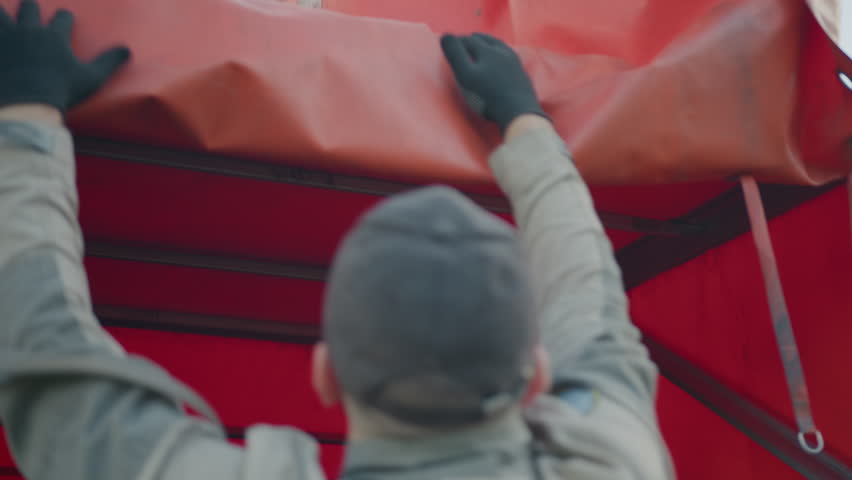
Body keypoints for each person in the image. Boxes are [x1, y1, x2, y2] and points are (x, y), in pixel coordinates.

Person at [0, 0, 674, 479]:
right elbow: (590, 302)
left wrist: (26, 111)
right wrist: (525, 119)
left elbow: (47, 359)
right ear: (538, 378)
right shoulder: (616, 461)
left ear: (324, 374)